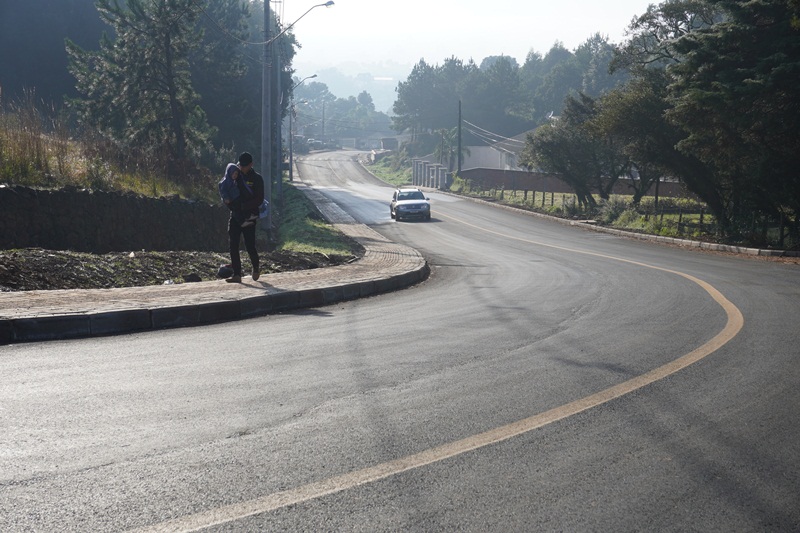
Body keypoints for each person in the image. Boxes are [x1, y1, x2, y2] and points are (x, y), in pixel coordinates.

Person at [226, 152, 264, 283]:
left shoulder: (257, 179)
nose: (241, 168)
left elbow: (259, 199)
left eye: (244, 166)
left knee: (250, 245)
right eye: (240, 165)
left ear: (251, 165)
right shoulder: (235, 175)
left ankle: (256, 267)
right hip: (235, 215)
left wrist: (244, 206)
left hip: (249, 216)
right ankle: (237, 274)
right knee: (233, 244)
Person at [220, 157, 258, 228]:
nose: (235, 175)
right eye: (233, 174)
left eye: (236, 174)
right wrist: (226, 198)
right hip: (232, 200)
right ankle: (242, 222)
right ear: (229, 172)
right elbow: (223, 191)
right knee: (236, 211)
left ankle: (248, 216)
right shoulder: (225, 182)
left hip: (237, 197)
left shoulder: (234, 181)